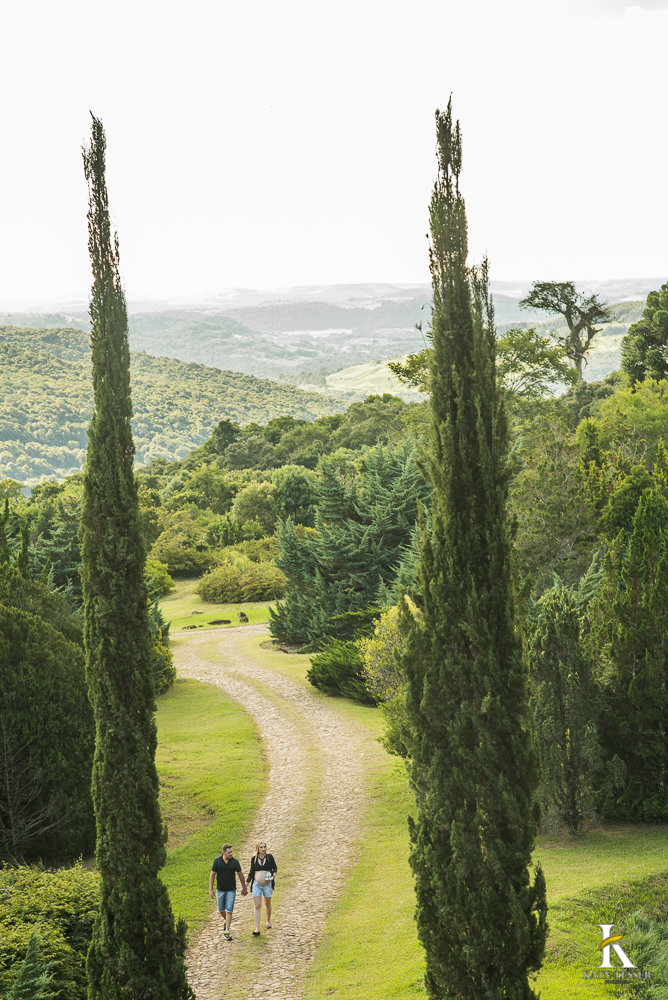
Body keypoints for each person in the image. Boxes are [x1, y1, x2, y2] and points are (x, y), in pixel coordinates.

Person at [209, 843, 248, 940]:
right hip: (220, 890)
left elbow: (240, 875)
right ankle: (226, 920)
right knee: (221, 909)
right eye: (229, 852)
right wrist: (211, 889)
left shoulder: (235, 862)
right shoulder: (217, 861)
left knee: (229, 910)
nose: (231, 854)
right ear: (223, 853)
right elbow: (212, 875)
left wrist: (244, 888)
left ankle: (227, 931)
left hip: (231, 890)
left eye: (232, 852)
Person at [247, 840, 277, 936]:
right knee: (257, 905)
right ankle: (257, 928)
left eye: (264, 847)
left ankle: (268, 920)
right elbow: (251, 872)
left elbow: (275, 868)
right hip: (257, 884)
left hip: (267, 884)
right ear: (257, 848)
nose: (263, 849)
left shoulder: (269, 857)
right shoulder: (254, 859)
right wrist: (246, 884)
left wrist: (273, 876)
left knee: (267, 903)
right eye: (261, 847)